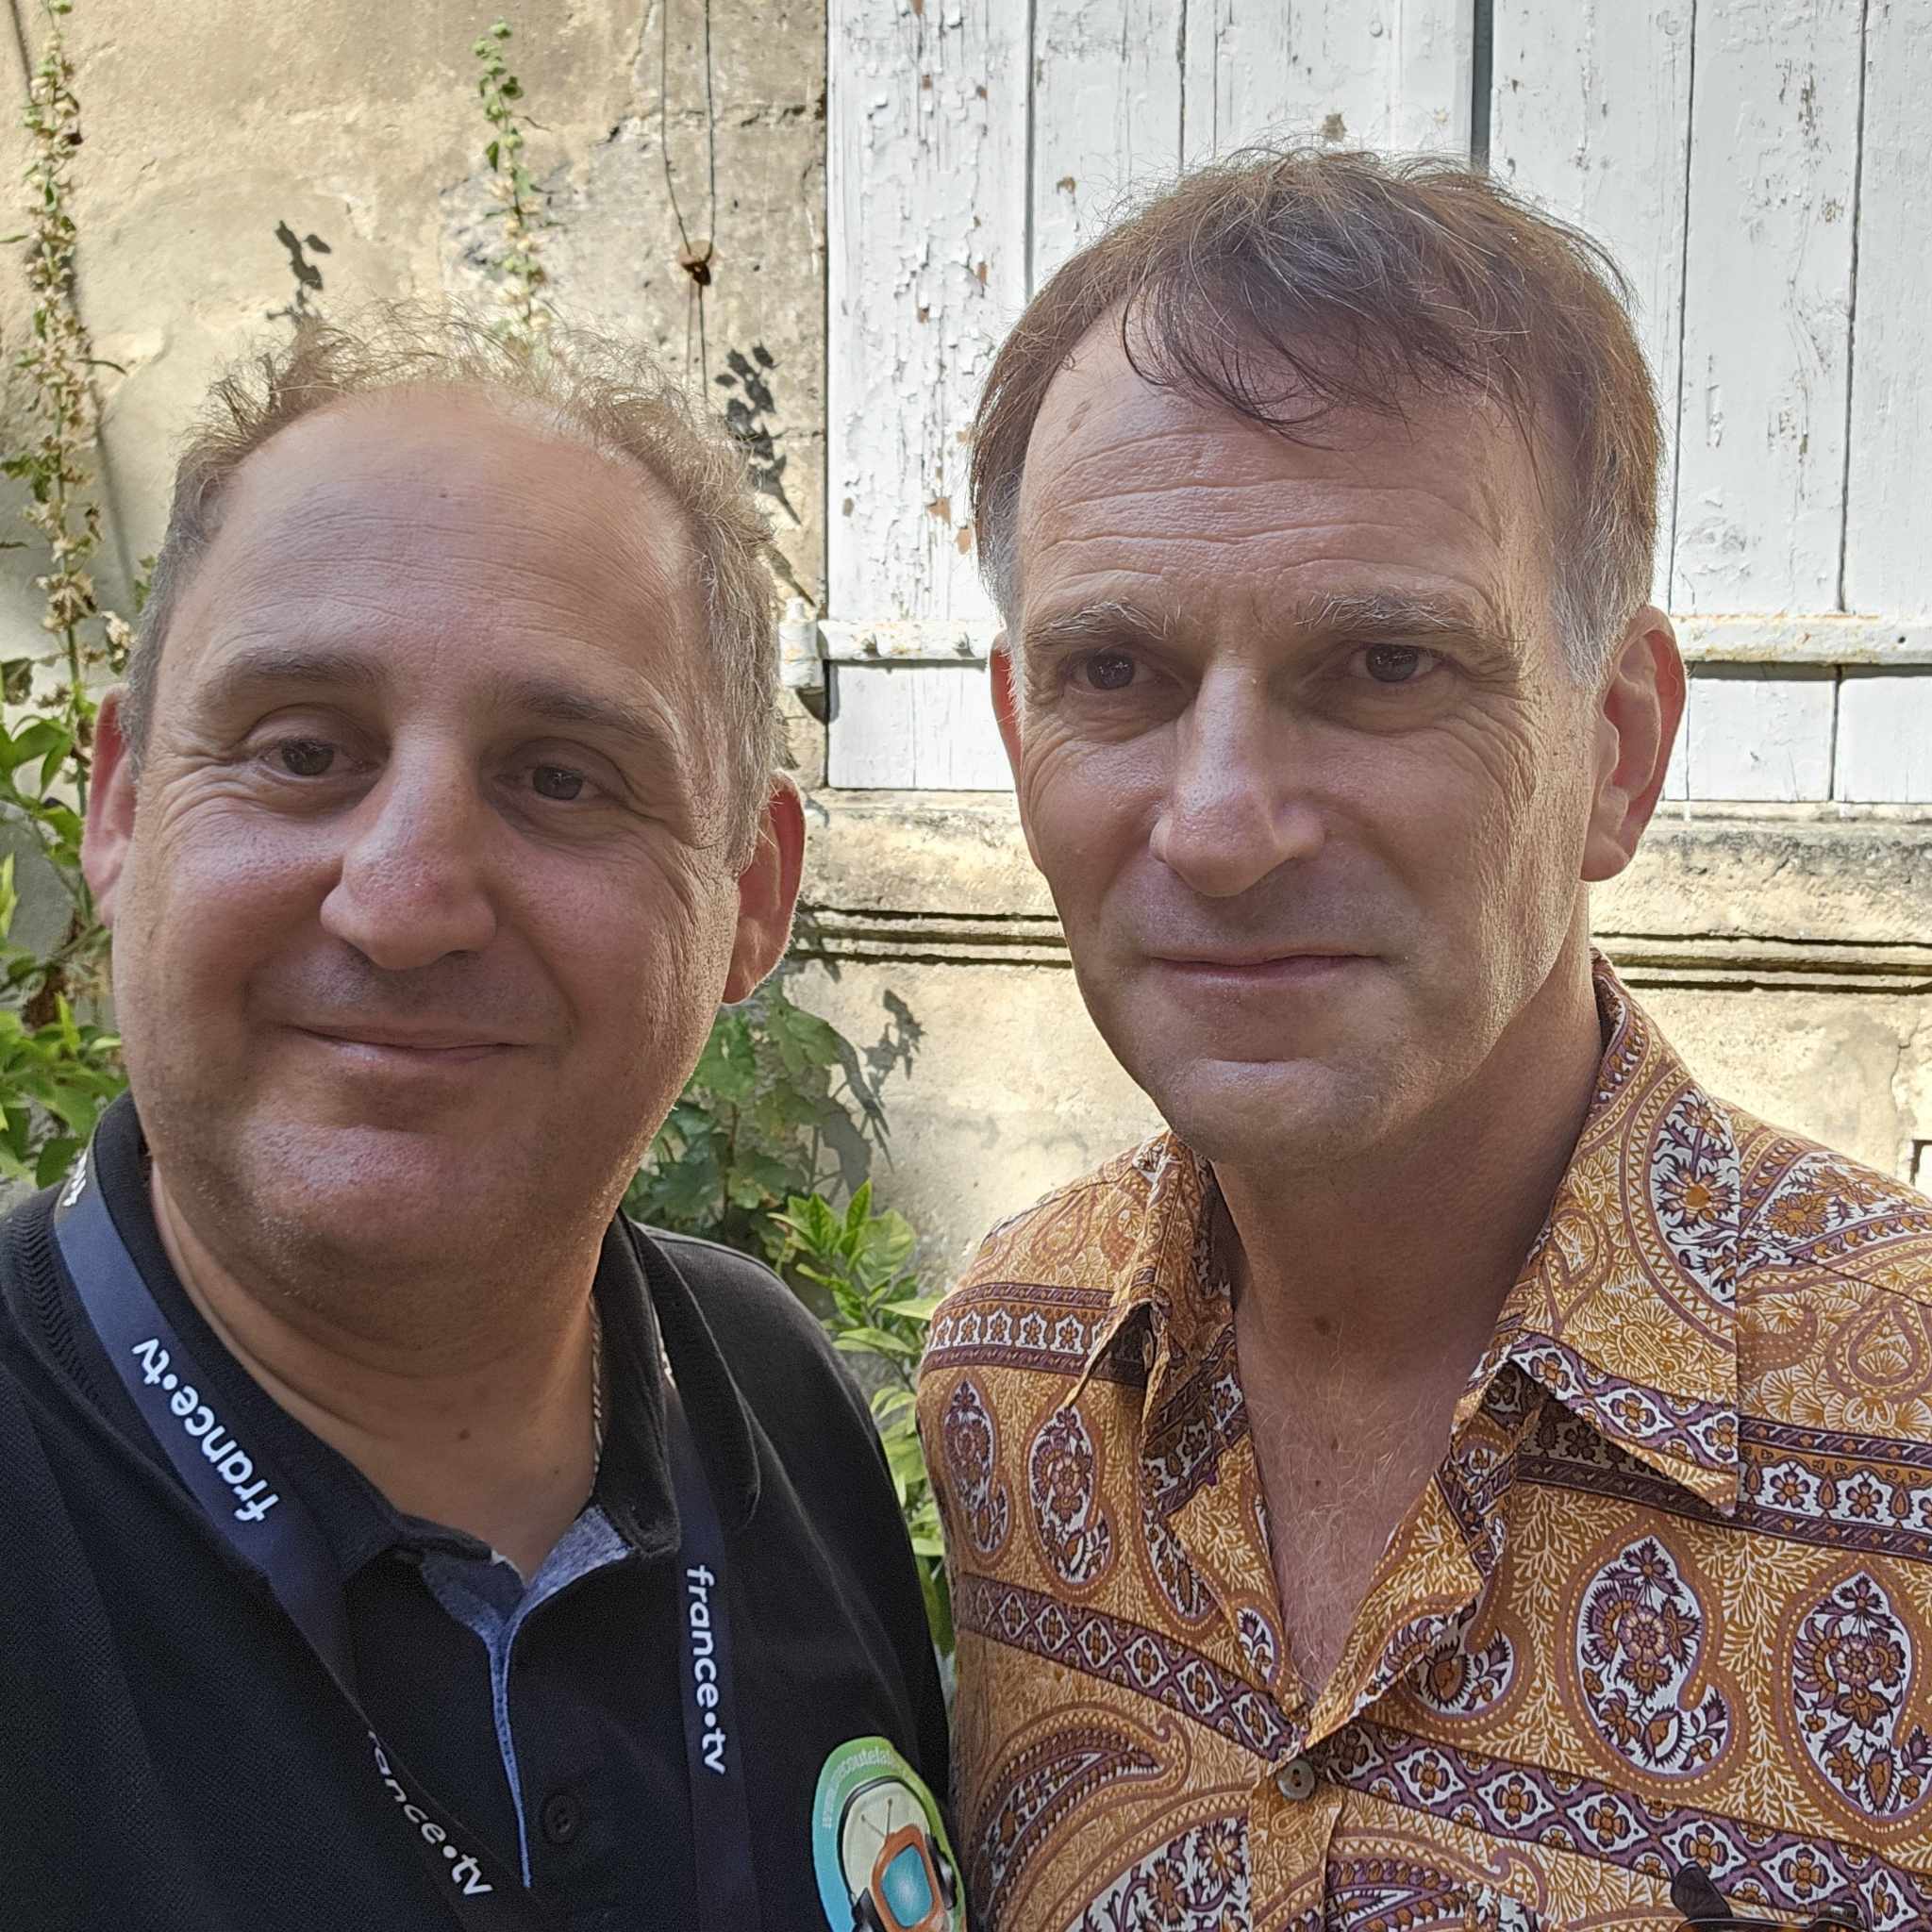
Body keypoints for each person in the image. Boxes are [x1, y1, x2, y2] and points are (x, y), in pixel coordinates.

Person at [917, 150, 1932, 1932]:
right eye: (1117, 674)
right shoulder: (1008, 1375)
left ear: (1615, 748)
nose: (1220, 827)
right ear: (1020, 736)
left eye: (1385, 665)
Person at [0, 310, 956, 1932]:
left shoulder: (777, 1399)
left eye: (560, 778)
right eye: (303, 752)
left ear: (751, 897)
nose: (403, 905)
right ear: (122, 807)